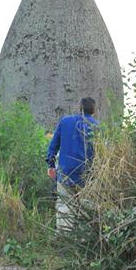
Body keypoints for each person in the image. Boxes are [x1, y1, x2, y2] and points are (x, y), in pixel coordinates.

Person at [46, 97, 98, 231]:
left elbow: (53, 146)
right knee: (87, 207)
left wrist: (51, 165)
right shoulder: (97, 126)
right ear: (93, 110)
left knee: (64, 205)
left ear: (80, 108)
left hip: (65, 172)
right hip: (88, 174)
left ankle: (64, 239)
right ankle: (84, 240)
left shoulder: (65, 122)